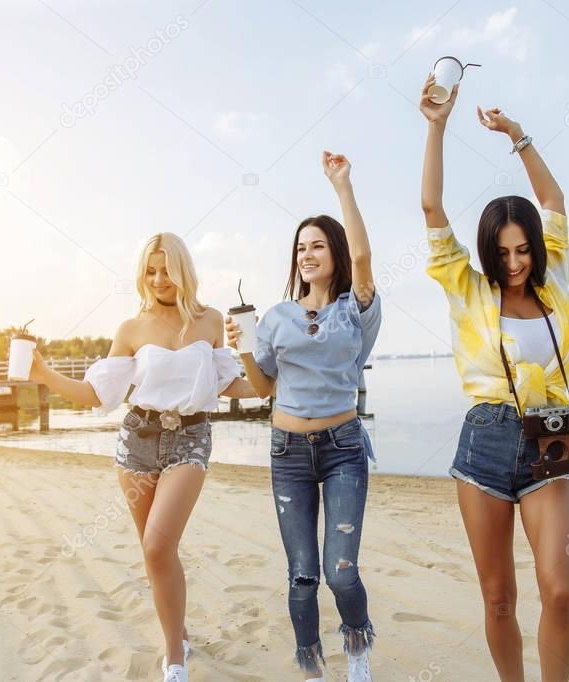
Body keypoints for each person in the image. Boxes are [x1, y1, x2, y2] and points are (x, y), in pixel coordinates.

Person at [419, 73, 569, 682]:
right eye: (504, 253)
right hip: (484, 442)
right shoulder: (469, 287)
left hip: (551, 438)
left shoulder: (555, 279)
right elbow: (433, 210)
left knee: (560, 592)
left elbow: (555, 202)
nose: (514, 264)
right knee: (498, 597)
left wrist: (517, 136)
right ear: (489, 252)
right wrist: (437, 125)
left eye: (523, 250)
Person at [29, 232, 256, 682]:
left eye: (165, 270)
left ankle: (174, 658)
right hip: (137, 441)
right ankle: (179, 633)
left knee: (157, 545)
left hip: (189, 439)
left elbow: (234, 385)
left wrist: (282, 381)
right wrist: (42, 372)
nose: (158, 279)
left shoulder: (211, 321)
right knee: (155, 555)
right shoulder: (132, 329)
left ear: (182, 271)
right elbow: (97, 392)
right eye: (149, 272)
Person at [225, 151, 381, 682]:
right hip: (288, 453)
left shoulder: (354, 309)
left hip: (342, 449)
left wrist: (343, 186)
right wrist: (242, 350)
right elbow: (264, 385)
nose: (307, 254)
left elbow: (362, 260)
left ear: (333, 251)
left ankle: (357, 650)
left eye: (317, 245)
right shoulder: (276, 317)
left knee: (341, 571)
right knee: (302, 577)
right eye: (300, 248)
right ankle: (312, 668)